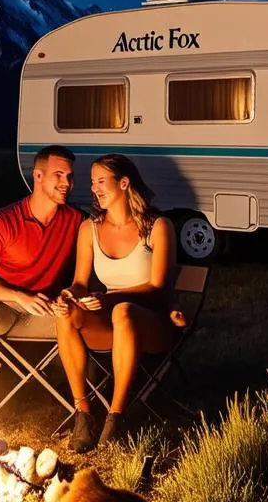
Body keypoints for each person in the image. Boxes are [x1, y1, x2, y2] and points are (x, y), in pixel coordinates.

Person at [55, 153, 185, 452]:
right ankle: (83, 414)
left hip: (153, 322)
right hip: (110, 320)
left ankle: (115, 418)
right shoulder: (89, 229)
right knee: (65, 314)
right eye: (91, 183)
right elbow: (79, 282)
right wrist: (68, 295)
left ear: (124, 183)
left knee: (123, 312)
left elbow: (159, 288)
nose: (94, 188)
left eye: (101, 181)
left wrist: (110, 297)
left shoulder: (158, 226)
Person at [0, 145, 83, 423]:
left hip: (47, 313)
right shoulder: (1, 222)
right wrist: (18, 296)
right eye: (58, 175)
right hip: (6, 312)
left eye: (70, 177)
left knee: (81, 316)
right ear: (38, 176)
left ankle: (84, 407)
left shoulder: (76, 221)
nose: (66, 183)